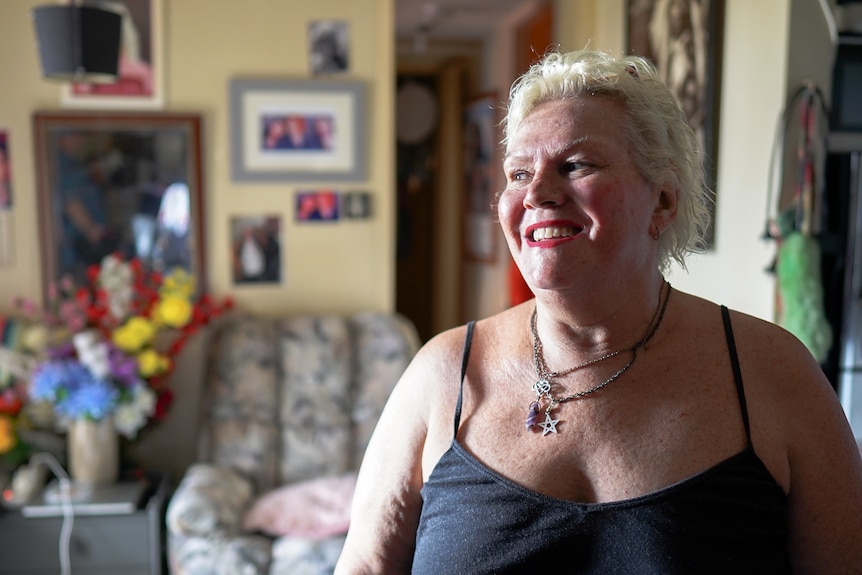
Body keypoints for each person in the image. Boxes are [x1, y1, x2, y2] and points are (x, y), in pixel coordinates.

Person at [336, 49, 862, 573]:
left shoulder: (773, 373)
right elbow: (363, 564)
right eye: (518, 174)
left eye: (576, 165)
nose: (537, 193)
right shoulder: (442, 374)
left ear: (663, 201)